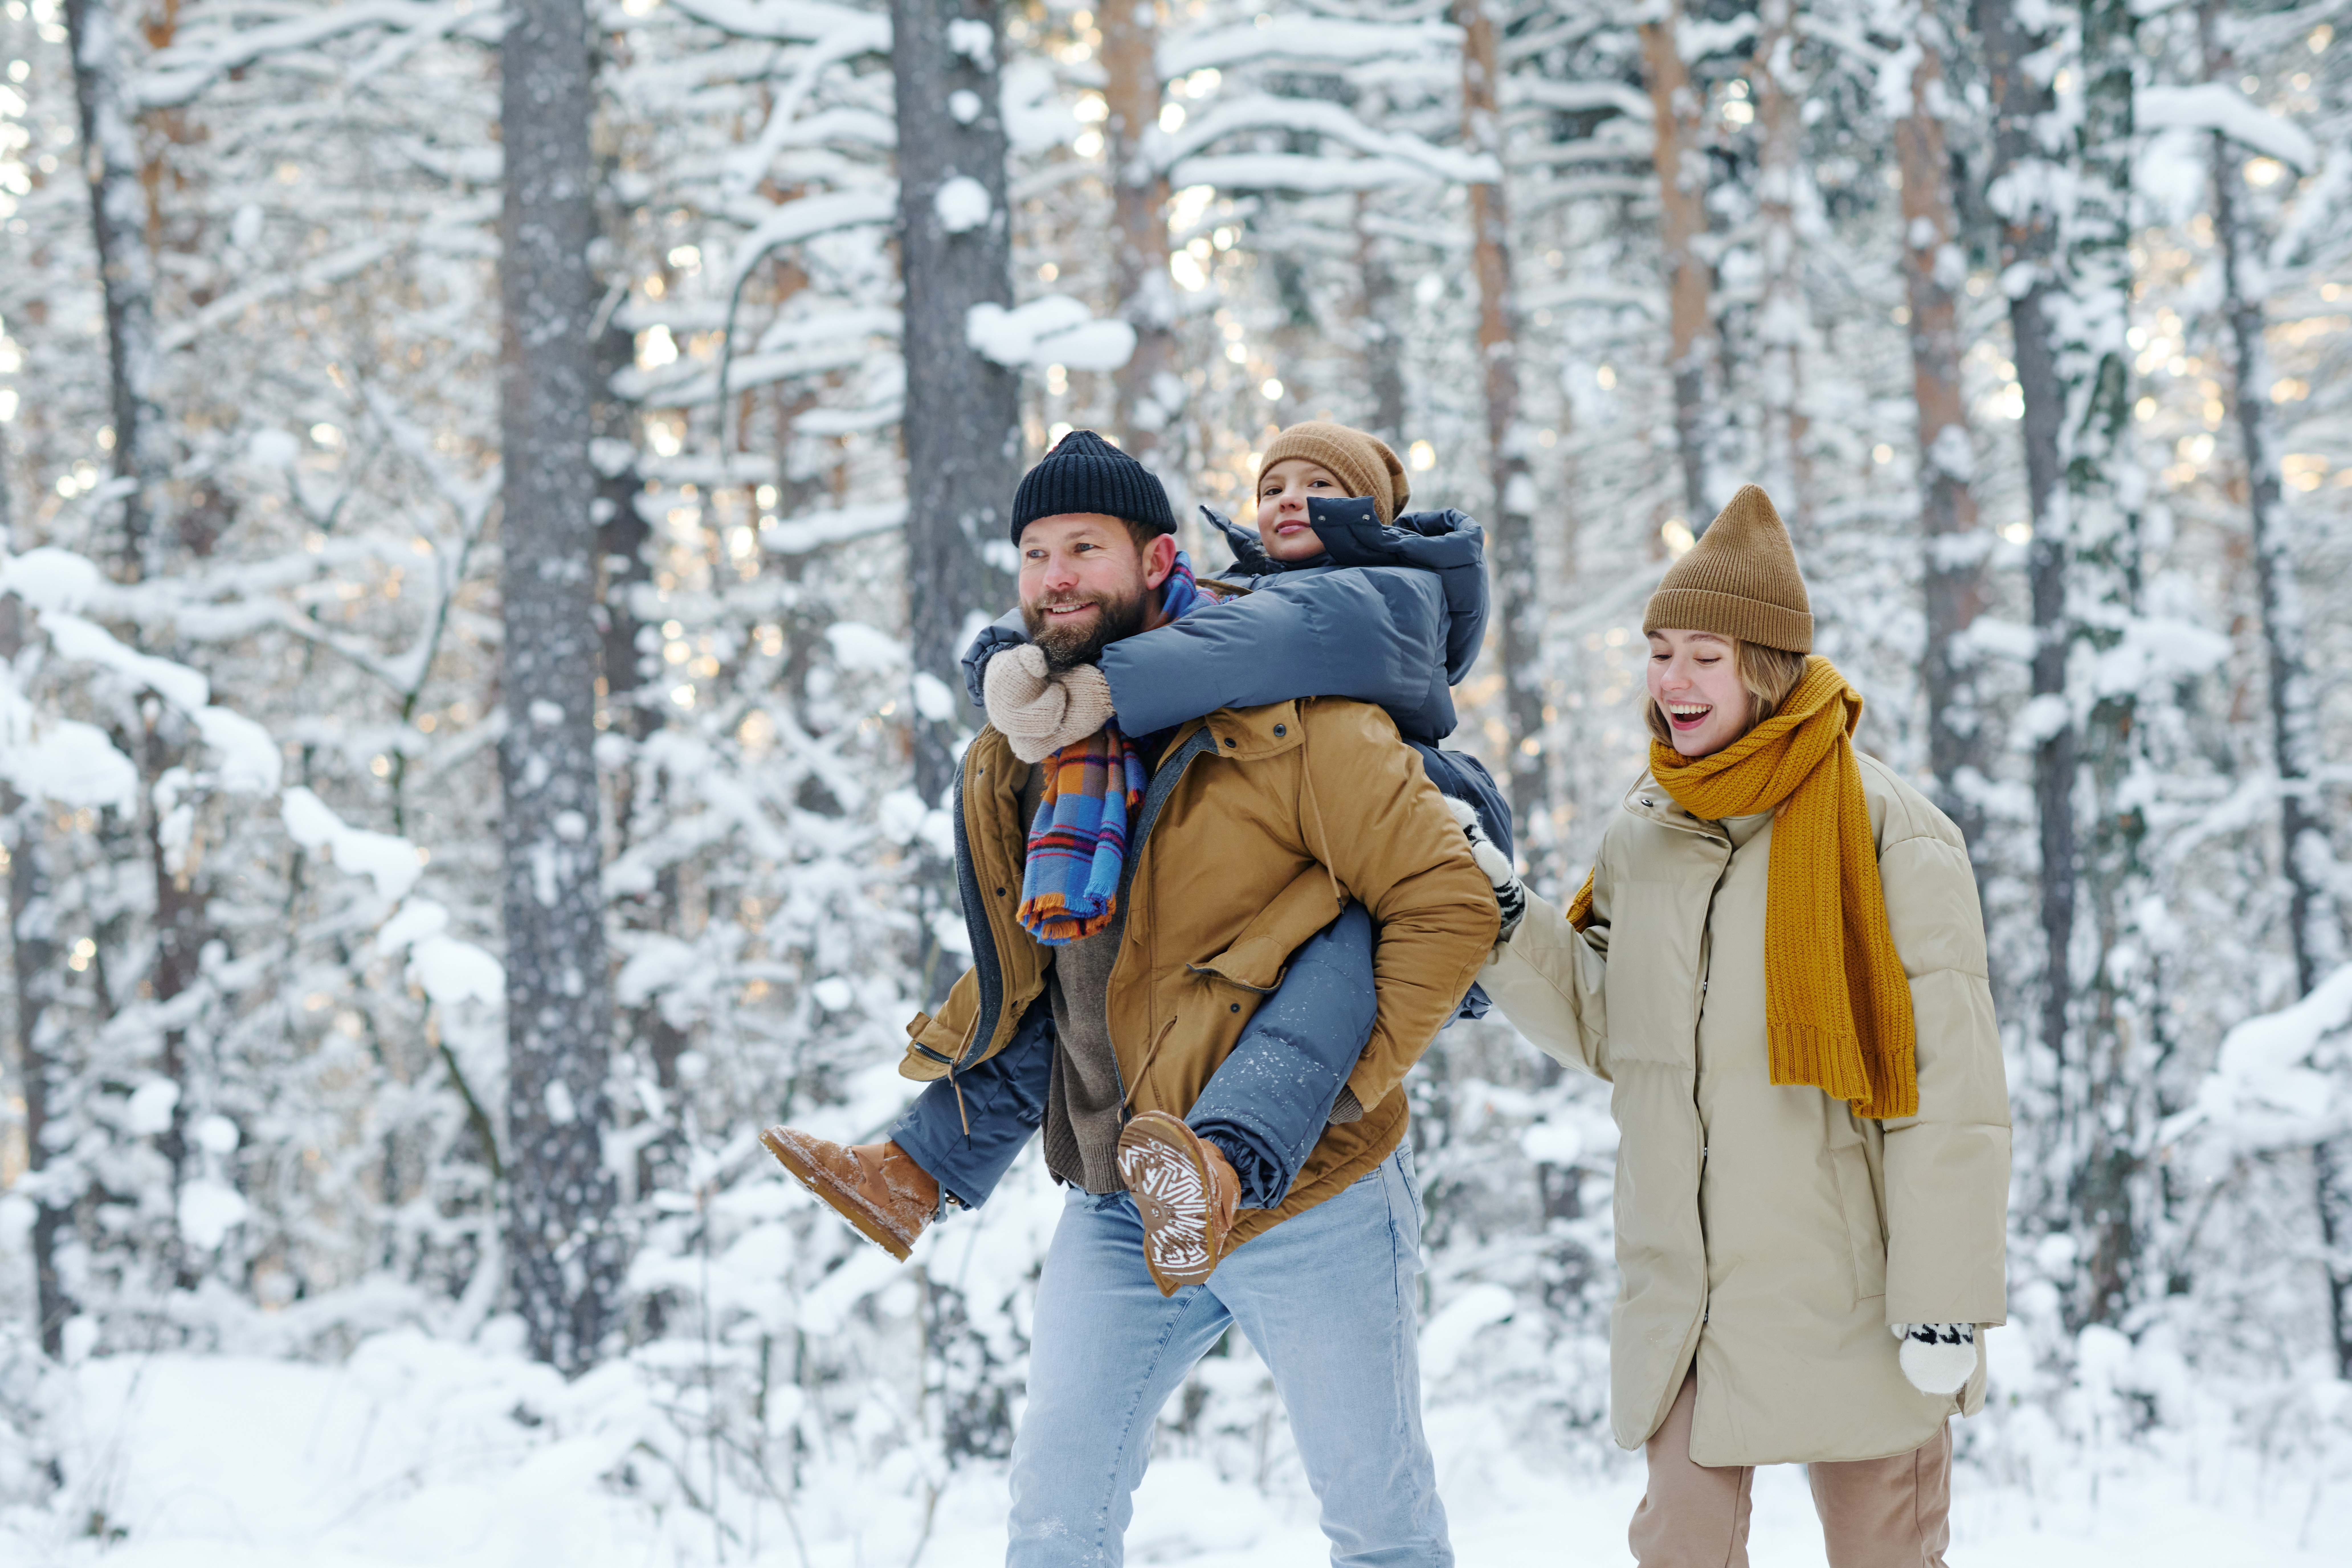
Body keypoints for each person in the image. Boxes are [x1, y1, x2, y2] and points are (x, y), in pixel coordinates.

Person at [774, 430, 1498, 1566]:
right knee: (1056, 1521)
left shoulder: (1301, 718)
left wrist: (1340, 1090)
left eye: (1084, 548)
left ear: (1155, 555)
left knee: (1380, 1527)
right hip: (1120, 1197)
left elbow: (1449, 906)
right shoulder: (1043, 749)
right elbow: (1041, 964)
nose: (1055, 577)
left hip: (1312, 1195)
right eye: (1035, 553)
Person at [1471, 485, 2010, 1568]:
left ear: (1765, 664)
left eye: (1703, 656)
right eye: (1660, 651)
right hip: (1696, 1296)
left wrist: (1945, 1304)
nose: (1671, 681)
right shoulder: (1651, 830)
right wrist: (1502, 912)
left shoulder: (1888, 830)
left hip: (1856, 1300)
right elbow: (1612, 1028)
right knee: (1679, 1549)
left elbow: (1953, 1094)